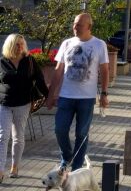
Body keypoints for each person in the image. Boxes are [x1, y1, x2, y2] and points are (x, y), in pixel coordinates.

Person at [46, 13, 109, 171]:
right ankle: (66, 156)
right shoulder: (67, 43)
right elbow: (58, 70)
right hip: (66, 96)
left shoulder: (99, 45)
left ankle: (76, 167)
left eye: (79, 25)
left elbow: (105, 71)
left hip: (86, 98)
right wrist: (51, 94)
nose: (75, 27)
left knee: (81, 134)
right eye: (74, 24)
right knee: (60, 129)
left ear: (89, 27)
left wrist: (104, 94)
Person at [0, 33, 49, 181]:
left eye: (22, 44)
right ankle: (0, 170)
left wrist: (48, 97)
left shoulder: (29, 61)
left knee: (18, 136)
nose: (20, 47)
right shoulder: (2, 61)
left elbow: (40, 80)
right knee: (3, 136)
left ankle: (15, 166)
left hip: (23, 103)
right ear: (10, 45)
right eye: (17, 44)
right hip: (5, 103)